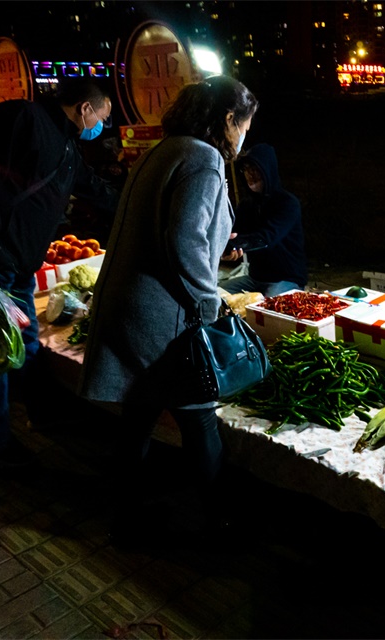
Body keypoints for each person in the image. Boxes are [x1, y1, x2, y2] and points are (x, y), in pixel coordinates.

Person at [77, 75, 258, 545]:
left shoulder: (165, 149)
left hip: (128, 303)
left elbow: (175, 229)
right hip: (163, 315)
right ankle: (221, 520)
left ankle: (126, 515)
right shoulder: (204, 157)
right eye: (245, 124)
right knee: (198, 416)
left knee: (138, 415)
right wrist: (209, 302)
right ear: (227, 119)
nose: (245, 136)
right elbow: (184, 240)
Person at [0, 77, 120, 467]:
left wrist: (136, 201)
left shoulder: (66, 143)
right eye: (104, 115)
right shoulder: (25, 119)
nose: (104, 124)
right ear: (86, 108)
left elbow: (90, 186)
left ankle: (42, 411)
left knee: (28, 341)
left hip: (19, 263)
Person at [218, 143, 307, 297]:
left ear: (267, 170)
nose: (249, 175)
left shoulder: (287, 203)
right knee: (216, 295)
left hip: (285, 279)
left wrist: (236, 243)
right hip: (255, 278)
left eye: (255, 169)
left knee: (267, 310)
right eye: (246, 170)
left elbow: (266, 237)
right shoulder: (247, 205)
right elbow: (234, 231)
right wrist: (225, 247)